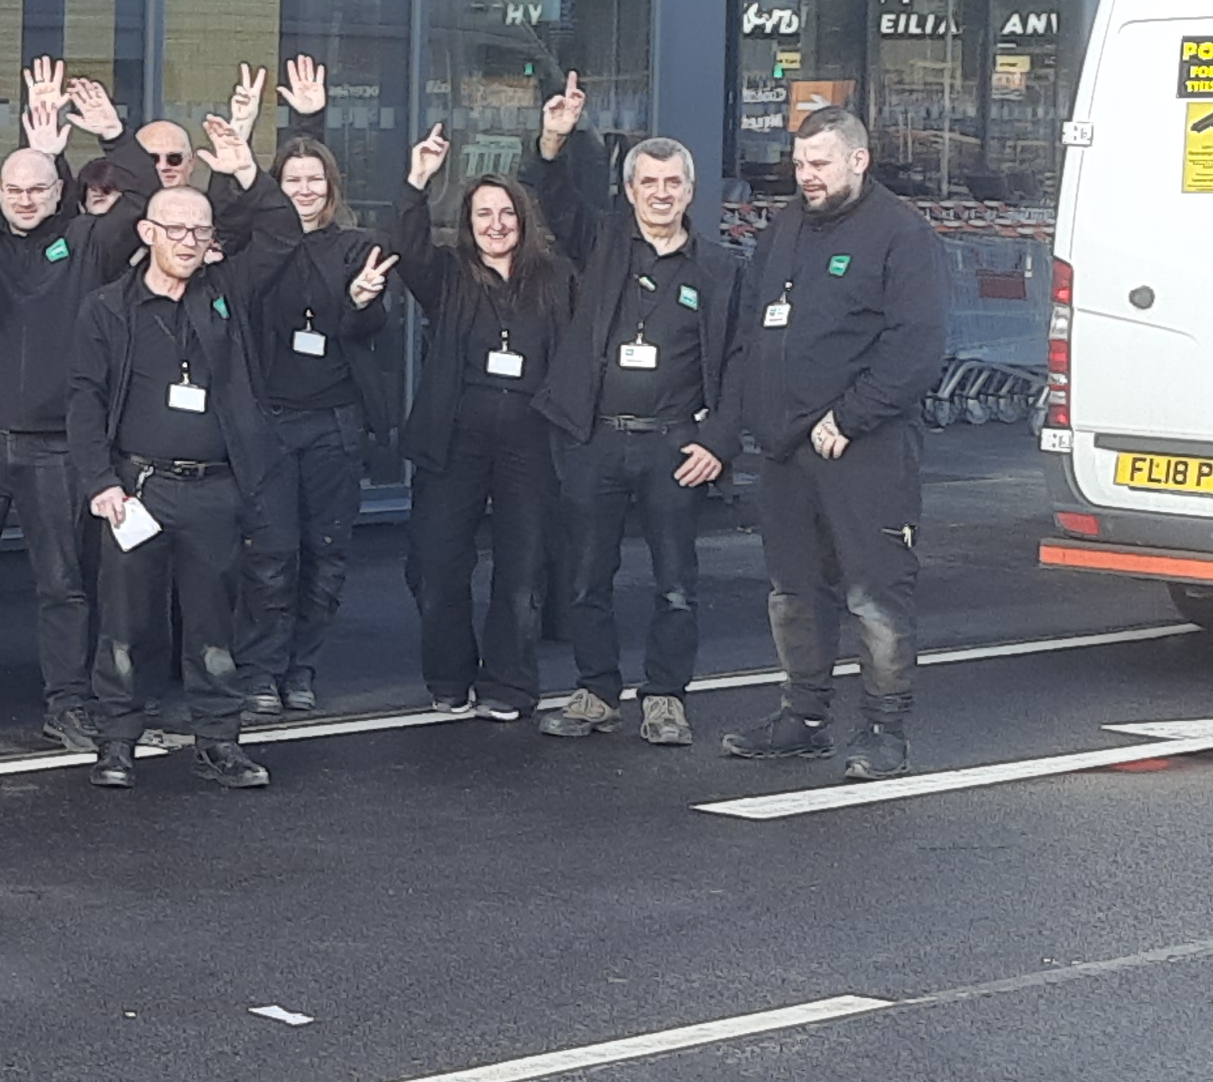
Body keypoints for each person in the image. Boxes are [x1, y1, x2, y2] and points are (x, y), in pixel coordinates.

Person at [716, 105, 947, 776]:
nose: (806, 176)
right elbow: (754, 325)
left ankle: (884, 729)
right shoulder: (786, 225)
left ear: (858, 159)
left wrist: (849, 417)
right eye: (799, 164)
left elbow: (917, 348)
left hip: (865, 448)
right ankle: (803, 717)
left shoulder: (903, 236)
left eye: (819, 164)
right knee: (793, 592)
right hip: (788, 449)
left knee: (875, 594)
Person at [0, 61, 139, 747]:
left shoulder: (86, 242)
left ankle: (66, 703)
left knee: (62, 584)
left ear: (58, 192)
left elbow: (138, 207)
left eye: (36, 188)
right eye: (12, 188)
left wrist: (112, 137)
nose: (23, 198)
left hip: (56, 442)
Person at [532, 75, 728, 747]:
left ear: (690, 191)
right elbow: (553, 198)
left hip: (675, 446)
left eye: (673, 183)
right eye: (649, 183)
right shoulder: (604, 242)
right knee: (588, 575)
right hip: (596, 440)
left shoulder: (721, 270)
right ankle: (595, 690)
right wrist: (556, 137)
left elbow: (740, 360)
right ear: (630, 189)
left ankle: (666, 698)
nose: (661, 193)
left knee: (676, 583)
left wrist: (721, 441)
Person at [70, 184, 275, 788]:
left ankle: (219, 742)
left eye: (201, 232)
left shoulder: (228, 298)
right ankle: (117, 742)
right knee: (126, 622)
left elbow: (282, 235)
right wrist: (100, 481)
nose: (188, 242)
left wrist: (247, 172)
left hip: (215, 489)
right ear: (147, 232)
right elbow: (85, 399)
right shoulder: (107, 309)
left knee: (214, 626)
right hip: (138, 487)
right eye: (176, 229)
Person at [224, 55, 396, 715]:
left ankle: (302, 666)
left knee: (326, 551)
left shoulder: (355, 246)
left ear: (331, 188)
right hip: (266, 418)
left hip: (333, 421)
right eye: (291, 180)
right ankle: (260, 670)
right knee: (268, 553)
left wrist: (358, 300)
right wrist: (266, 127)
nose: (303, 189)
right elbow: (225, 211)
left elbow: (370, 325)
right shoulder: (253, 243)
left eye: (314, 180)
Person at [393, 130, 569, 723]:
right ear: (467, 223)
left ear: (522, 218)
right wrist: (418, 180)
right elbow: (406, 244)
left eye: (505, 213)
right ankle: (448, 676)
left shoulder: (556, 279)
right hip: (454, 438)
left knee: (522, 571)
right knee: (438, 566)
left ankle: (508, 684)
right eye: (482, 215)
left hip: (531, 442)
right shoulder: (447, 276)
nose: (495, 225)